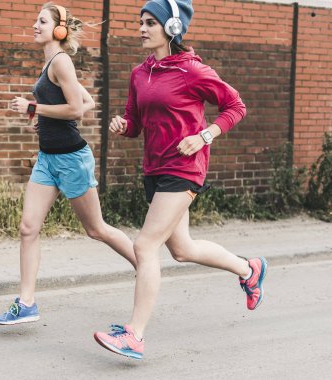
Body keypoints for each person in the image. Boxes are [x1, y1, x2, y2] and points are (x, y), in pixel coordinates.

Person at [93, 0, 268, 359]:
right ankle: (248, 268)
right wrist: (123, 126)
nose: (142, 28)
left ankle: (134, 335)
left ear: (172, 28)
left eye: (150, 22)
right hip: (154, 168)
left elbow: (236, 106)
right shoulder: (139, 73)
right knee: (182, 249)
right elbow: (135, 121)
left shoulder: (193, 70)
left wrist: (205, 135)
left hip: (184, 168)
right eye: (140, 22)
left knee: (144, 246)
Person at [0, 3, 137, 325]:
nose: (34, 25)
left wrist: (33, 107)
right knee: (28, 228)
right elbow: (88, 100)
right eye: (35, 20)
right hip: (47, 159)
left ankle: (145, 266)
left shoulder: (61, 62)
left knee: (96, 229)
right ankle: (26, 302)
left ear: (58, 29)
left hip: (72, 159)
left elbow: (76, 110)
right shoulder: (48, 65)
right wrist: (39, 114)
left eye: (41, 21)